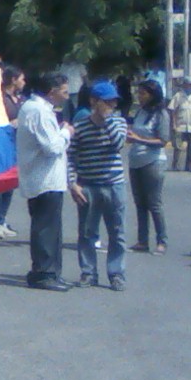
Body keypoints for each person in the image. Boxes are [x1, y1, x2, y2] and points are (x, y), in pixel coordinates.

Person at [69, 79, 130, 291]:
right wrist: (72, 183)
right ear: (94, 101)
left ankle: (116, 273)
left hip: (114, 185)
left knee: (117, 233)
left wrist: (107, 120)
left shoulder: (119, 122)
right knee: (87, 233)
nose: (111, 106)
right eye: (106, 102)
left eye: (113, 102)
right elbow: (71, 156)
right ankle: (88, 272)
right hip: (88, 185)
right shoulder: (81, 126)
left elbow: (118, 144)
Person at [16, 71, 73, 291]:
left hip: (49, 178)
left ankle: (52, 271)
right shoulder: (38, 110)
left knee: (53, 228)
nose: (67, 97)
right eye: (64, 92)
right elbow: (52, 147)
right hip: (43, 179)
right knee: (45, 228)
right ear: (51, 92)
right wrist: (66, 133)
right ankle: (43, 273)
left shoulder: (41, 109)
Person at [127, 78, 170, 254]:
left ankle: (162, 241)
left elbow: (163, 140)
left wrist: (138, 139)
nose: (140, 96)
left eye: (143, 93)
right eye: (138, 93)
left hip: (153, 162)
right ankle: (142, 241)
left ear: (153, 95)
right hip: (135, 161)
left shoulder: (162, 114)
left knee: (154, 203)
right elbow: (135, 131)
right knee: (140, 203)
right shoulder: (140, 112)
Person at [0, 65, 26, 239]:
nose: (24, 82)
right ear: (13, 80)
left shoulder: (19, 99)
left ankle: (3, 219)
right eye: (21, 79)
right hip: (1, 145)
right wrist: (11, 124)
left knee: (10, 183)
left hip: (15, 146)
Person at [168, 76, 191, 171]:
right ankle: (176, 166)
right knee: (178, 147)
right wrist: (173, 124)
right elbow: (172, 110)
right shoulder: (178, 96)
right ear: (185, 85)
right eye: (190, 84)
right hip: (181, 125)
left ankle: (190, 166)